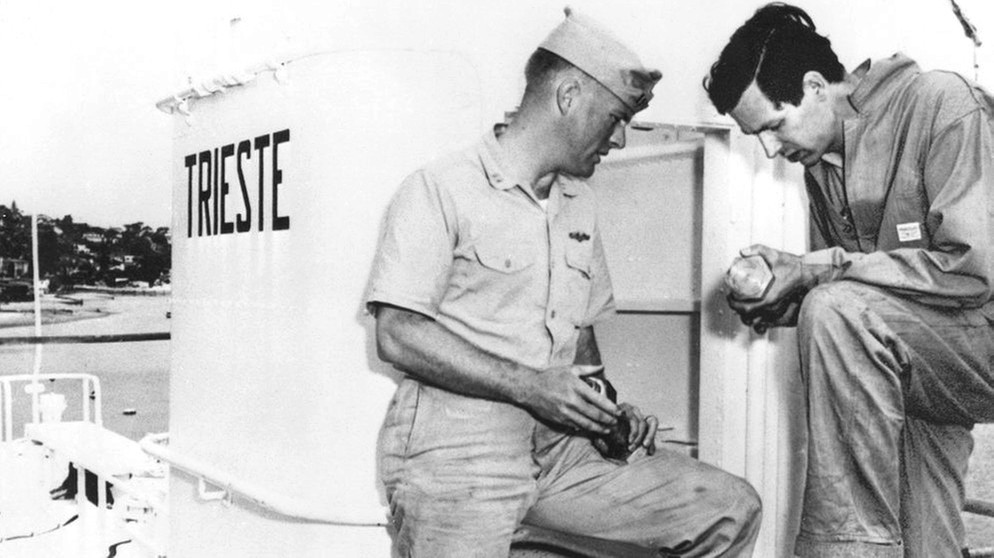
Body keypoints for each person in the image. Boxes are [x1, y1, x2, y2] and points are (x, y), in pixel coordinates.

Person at [366, 7, 761, 557]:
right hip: (457, 459)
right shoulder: (440, 189)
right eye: (616, 118)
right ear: (569, 95)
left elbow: (580, 342)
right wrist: (530, 386)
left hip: (562, 455)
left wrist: (607, 412)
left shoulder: (578, 204)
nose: (620, 139)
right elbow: (398, 334)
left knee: (726, 508)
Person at [704, 3, 994, 557]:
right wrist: (782, 296)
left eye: (772, 126)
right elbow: (861, 289)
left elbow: (969, 270)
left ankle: (846, 548)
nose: (770, 150)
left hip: (979, 334)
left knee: (835, 311)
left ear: (815, 86)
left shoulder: (939, 103)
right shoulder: (822, 166)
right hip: (914, 359)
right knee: (927, 543)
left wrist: (817, 273)